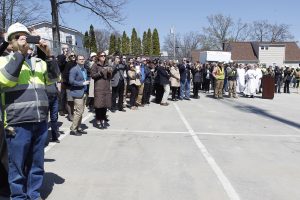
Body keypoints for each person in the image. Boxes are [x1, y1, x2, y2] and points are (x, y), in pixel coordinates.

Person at [0, 22, 59, 200]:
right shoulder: (4, 59)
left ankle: (33, 195)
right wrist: (19, 54)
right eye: (18, 37)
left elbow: (53, 79)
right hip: (17, 122)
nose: (23, 40)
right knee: (16, 166)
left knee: (37, 164)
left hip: (40, 120)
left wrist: (49, 57)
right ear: (10, 42)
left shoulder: (38, 61)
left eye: (25, 37)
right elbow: (6, 80)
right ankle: (18, 197)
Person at [91, 52, 112, 129]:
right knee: (99, 105)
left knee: (105, 105)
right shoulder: (95, 65)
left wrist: (110, 73)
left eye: (104, 56)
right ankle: (98, 120)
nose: (103, 57)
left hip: (106, 87)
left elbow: (109, 77)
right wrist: (100, 73)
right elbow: (93, 76)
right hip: (99, 88)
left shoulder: (107, 65)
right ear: (98, 57)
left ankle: (103, 119)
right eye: (102, 56)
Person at [69, 55, 89, 136]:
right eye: (80, 59)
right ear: (76, 61)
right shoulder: (74, 70)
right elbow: (71, 81)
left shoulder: (84, 69)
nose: (82, 60)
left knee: (81, 111)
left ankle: (79, 127)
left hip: (84, 92)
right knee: (78, 112)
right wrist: (82, 83)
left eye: (83, 59)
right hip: (77, 93)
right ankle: (73, 129)